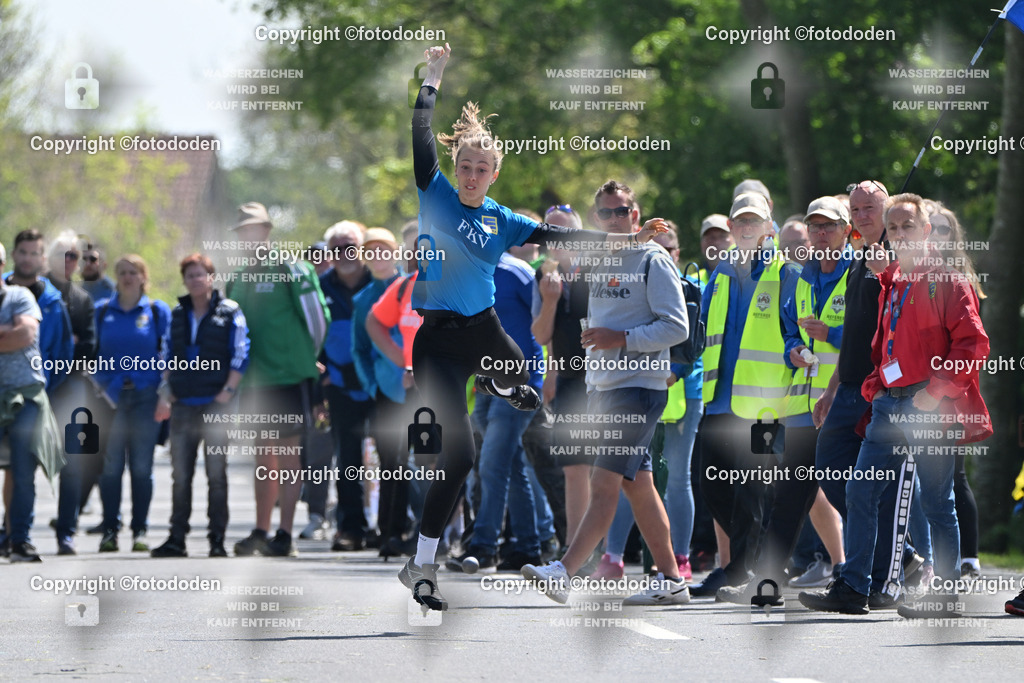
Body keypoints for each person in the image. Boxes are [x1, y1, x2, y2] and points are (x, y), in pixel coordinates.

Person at [398, 45, 667, 611]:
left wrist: (623, 238)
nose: (472, 176)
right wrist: (433, 79)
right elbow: (420, 134)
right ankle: (421, 563)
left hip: (483, 330)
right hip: (437, 342)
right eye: (465, 167)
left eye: (482, 169)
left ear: (494, 174)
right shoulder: (435, 194)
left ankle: (499, 380)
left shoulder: (502, 218)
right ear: (455, 169)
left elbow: (560, 237)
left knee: (519, 372)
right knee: (459, 458)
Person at [800, 193, 990, 617]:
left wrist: (935, 391)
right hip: (888, 405)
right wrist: (877, 388)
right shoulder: (894, 281)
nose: (901, 234)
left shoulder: (947, 280)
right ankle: (854, 586)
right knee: (860, 489)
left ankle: (945, 597)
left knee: (937, 503)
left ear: (926, 231)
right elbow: (884, 346)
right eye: (895, 227)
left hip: (930, 408)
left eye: (908, 226)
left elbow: (973, 344)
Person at [522, 179, 690, 606]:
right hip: (606, 387)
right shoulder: (599, 258)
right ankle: (672, 580)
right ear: (596, 218)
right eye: (605, 213)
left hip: (637, 388)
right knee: (639, 487)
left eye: (622, 211)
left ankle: (563, 572)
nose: (613, 219)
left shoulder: (654, 260)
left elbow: (677, 327)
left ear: (635, 215)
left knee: (603, 484)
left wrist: (621, 338)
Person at [717, 196, 852, 603]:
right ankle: (768, 581)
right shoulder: (803, 276)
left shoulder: (859, 274)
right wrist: (792, 349)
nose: (821, 233)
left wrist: (832, 335)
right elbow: (790, 329)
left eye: (829, 226)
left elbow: (870, 337)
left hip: (846, 404)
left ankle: (901, 561)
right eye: (815, 226)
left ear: (847, 231)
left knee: (851, 491)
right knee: (789, 496)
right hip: (801, 407)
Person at [689, 192, 802, 598]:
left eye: (755, 221)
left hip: (765, 405)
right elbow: (702, 331)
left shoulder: (786, 272)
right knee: (711, 485)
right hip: (719, 400)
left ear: (769, 227)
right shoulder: (720, 272)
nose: (748, 227)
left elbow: (796, 334)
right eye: (741, 221)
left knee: (753, 490)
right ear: (732, 228)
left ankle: (743, 570)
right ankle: (754, 560)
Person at [227, 202, 330, 558]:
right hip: (254, 382)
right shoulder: (238, 276)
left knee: (287, 456)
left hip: (288, 378)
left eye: (253, 229)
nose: (248, 236)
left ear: (267, 231)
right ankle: (261, 530)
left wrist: (306, 358)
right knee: (262, 458)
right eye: (242, 231)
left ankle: (285, 534)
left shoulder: (292, 268)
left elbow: (318, 319)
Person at [151, 254, 249, 558]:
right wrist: (166, 393)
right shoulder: (177, 314)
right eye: (190, 275)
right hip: (183, 404)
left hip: (216, 405)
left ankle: (217, 539)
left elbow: (241, 352)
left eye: (200, 274)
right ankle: (176, 538)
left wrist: (228, 390)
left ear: (211, 277)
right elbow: (166, 355)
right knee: (180, 475)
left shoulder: (230, 311)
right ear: (184, 280)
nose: (195, 280)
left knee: (216, 474)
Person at [93, 254, 171, 553]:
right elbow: (89, 352)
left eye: (133, 272)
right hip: (110, 399)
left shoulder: (156, 311)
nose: (127, 277)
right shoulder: (102, 311)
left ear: (143, 277)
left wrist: (165, 395)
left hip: (145, 397)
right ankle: (110, 531)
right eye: (122, 272)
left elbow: (169, 353)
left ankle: (140, 530)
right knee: (111, 468)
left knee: (141, 467)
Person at [0, 240, 64, 562]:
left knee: (22, 470)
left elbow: (24, 335)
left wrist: (12, 332)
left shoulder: (19, 296)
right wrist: (5, 332)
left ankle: (19, 541)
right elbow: (10, 336)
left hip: (24, 395)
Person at [366, 222, 424, 557]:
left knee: (431, 462)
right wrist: (404, 360)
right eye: (416, 250)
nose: (419, 256)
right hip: (403, 390)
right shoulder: (403, 287)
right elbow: (374, 322)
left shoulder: (454, 286)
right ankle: (392, 533)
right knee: (397, 461)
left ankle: (434, 535)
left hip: (440, 391)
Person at [318, 220, 375, 551]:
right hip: (339, 386)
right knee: (348, 459)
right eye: (337, 248)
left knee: (394, 457)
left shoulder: (382, 282)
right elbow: (308, 334)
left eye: (350, 246)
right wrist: (320, 372)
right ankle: (351, 529)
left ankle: (392, 529)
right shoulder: (319, 288)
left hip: (380, 383)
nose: (344, 253)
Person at [347, 226, 404, 550]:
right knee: (391, 460)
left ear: (395, 252)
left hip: (421, 389)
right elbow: (359, 349)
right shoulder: (364, 300)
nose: (378, 256)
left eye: (384, 249)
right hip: (386, 391)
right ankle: (390, 531)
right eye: (371, 251)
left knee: (424, 462)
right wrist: (372, 385)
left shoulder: (416, 288)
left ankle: (425, 533)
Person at [45, 232, 98, 556]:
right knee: (22, 460)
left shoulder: (83, 300)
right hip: (38, 383)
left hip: (72, 385)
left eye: (73, 256)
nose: (68, 261)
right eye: (62, 255)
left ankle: (66, 531)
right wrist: (68, 343)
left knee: (74, 460)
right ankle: (13, 531)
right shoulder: (34, 291)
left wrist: (66, 349)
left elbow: (89, 347)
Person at [698, 214, 733, 284]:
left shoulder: (747, 278)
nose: (717, 242)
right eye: (711, 237)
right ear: (702, 244)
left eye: (722, 236)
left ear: (734, 240)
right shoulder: (690, 281)